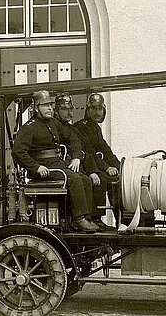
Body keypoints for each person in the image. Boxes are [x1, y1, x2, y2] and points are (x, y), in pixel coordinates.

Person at [12, 90, 102, 233]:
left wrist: (76, 157)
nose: (49, 108)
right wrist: (36, 167)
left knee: (84, 179)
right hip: (43, 168)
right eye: (45, 105)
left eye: (50, 105)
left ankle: (85, 217)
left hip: (57, 164)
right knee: (73, 178)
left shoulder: (54, 123)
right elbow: (18, 152)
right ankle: (79, 220)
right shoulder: (30, 127)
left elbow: (73, 138)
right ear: (36, 108)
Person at [69, 93, 122, 228]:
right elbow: (89, 153)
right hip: (85, 165)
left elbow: (105, 150)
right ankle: (96, 218)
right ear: (88, 110)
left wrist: (120, 166)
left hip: (94, 164)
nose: (98, 112)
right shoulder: (81, 126)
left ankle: (121, 221)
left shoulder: (95, 127)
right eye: (94, 109)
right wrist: (106, 168)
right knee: (104, 180)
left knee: (118, 178)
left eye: (100, 109)